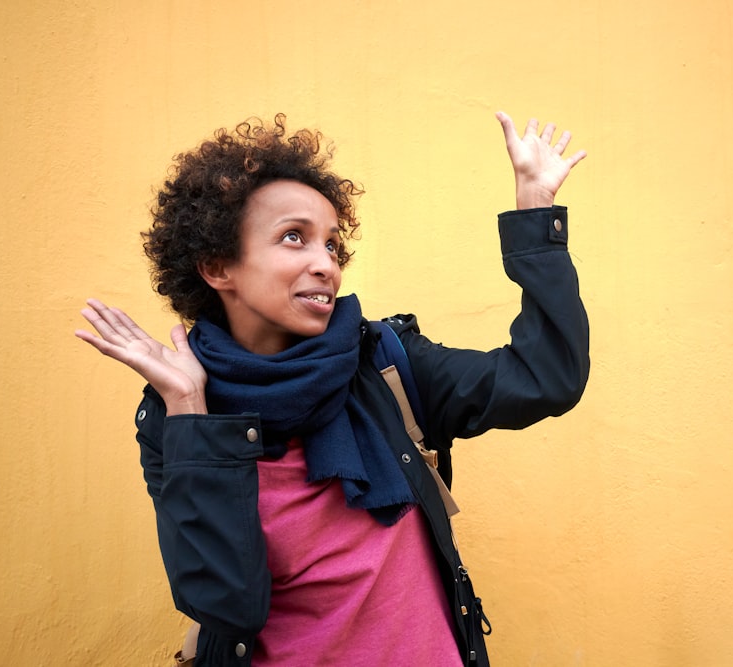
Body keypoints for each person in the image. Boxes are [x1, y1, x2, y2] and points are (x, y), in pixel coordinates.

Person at [76, 111, 589, 666]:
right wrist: (191, 414)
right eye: (294, 238)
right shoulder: (174, 419)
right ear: (218, 266)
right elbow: (225, 605)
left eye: (332, 245)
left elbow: (546, 378)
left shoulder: (385, 364)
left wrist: (536, 216)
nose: (326, 264)